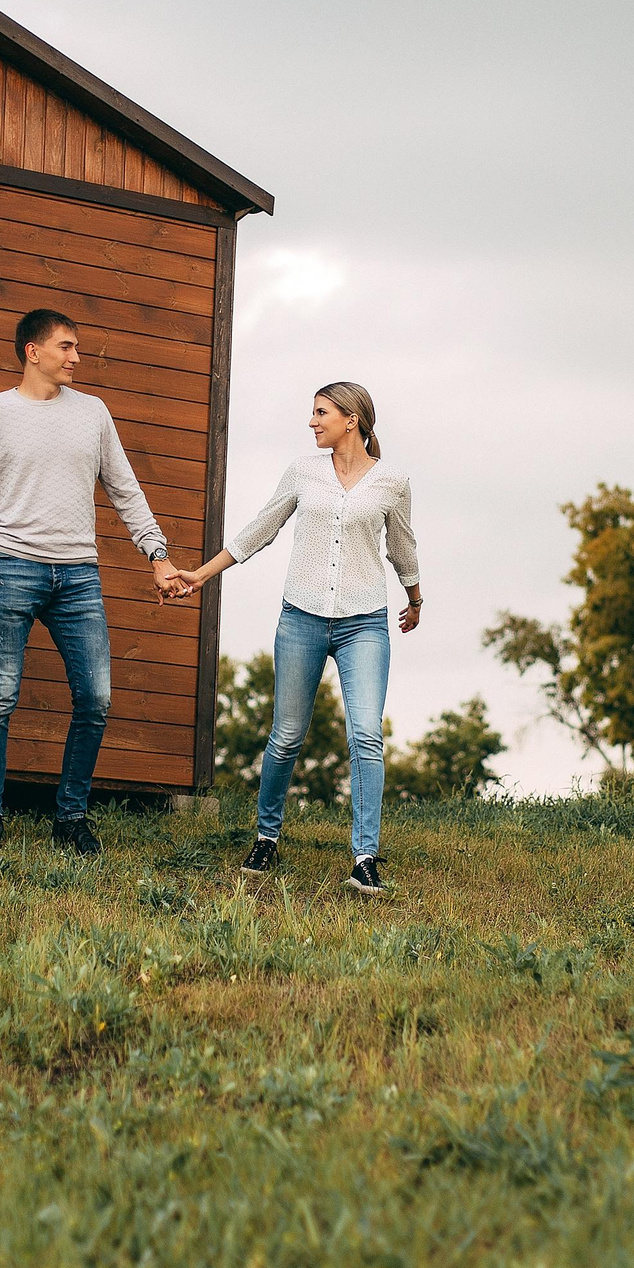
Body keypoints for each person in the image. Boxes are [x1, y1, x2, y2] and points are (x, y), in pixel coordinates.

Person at [0, 308, 190, 853]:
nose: (77, 358)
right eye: (67, 347)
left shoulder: (93, 413)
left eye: (77, 348)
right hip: (11, 567)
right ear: (33, 350)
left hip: (78, 576)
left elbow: (125, 489)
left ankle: (70, 819)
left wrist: (158, 555)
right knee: (0, 697)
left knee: (95, 699)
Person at [175, 383, 420, 894]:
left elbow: (402, 545)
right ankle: (266, 837)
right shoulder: (303, 472)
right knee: (286, 736)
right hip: (302, 619)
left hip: (363, 622)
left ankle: (365, 856)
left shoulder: (392, 481)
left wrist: (415, 599)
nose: (311, 422)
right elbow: (260, 528)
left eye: (320, 413)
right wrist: (200, 575)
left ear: (351, 419)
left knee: (366, 738)